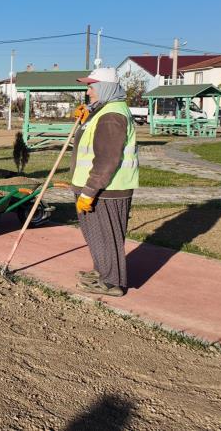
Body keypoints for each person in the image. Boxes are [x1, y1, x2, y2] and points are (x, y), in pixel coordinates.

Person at [72, 67, 139, 297]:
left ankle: (112, 282)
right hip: (95, 185)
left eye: (92, 86)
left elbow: (108, 158)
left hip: (107, 188)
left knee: (107, 235)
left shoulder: (112, 115)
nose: (88, 91)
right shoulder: (104, 111)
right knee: (96, 234)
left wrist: (90, 190)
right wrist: (86, 117)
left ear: (106, 88)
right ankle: (102, 271)